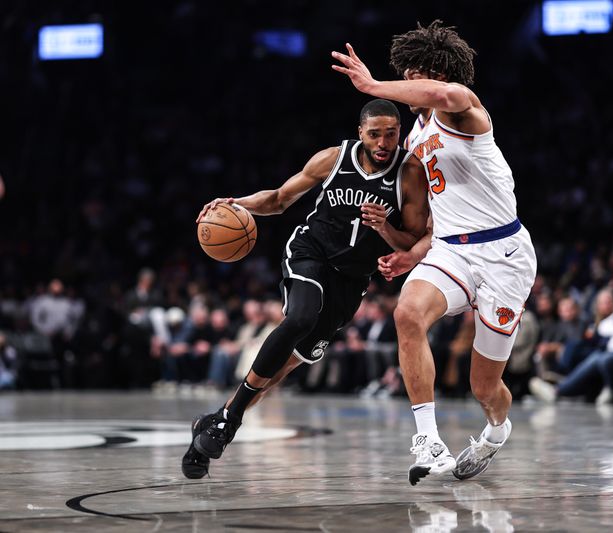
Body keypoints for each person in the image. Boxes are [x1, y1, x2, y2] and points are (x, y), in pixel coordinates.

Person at [332, 20, 537, 485]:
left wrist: (370, 84)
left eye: (414, 74)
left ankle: (497, 431)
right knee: (407, 313)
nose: (406, 80)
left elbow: (444, 97)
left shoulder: (465, 108)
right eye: (404, 73)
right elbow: (432, 217)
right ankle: (428, 438)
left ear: (438, 74)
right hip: (450, 249)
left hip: (503, 253)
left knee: (484, 387)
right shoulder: (415, 138)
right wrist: (411, 252)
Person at [181, 99, 429, 479]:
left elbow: (411, 239)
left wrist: (385, 229)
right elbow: (280, 199)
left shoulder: (409, 172)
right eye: (375, 134)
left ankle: (217, 419)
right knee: (300, 316)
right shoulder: (333, 158)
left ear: (399, 133)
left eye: (391, 134)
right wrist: (237, 204)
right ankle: (229, 421)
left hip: (352, 278)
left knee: (289, 363)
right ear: (360, 132)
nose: (383, 142)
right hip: (310, 253)